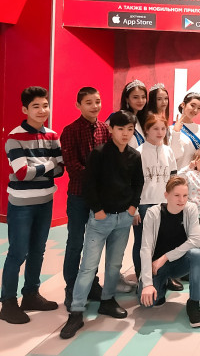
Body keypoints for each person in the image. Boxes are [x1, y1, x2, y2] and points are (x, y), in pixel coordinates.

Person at [60, 110, 143, 339]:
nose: (125, 134)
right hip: (100, 218)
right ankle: (76, 311)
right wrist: (97, 210)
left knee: (114, 265)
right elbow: (89, 184)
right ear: (111, 129)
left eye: (129, 129)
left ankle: (107, 300)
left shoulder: (134, 156)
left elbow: (138, 183)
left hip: (123, 218)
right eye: (120, 129)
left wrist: (132, 208)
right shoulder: (98, 153)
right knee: (88, 266)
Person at [0, 86, 64, 324]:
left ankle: (31, 294)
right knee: (18, 252)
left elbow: (61, 170)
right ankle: (8, 303)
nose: (42, 110)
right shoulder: (14, 137)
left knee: (38, 250)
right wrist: (49, 164)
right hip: (22, 205)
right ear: (25, 109)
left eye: (45, 105)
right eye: (36, 106)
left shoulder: (52, 135)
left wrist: (40, 167)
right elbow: (22, 173)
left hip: (45, 201)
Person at [59, 86, 110, 312]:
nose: (94, 106)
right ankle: (71, 288)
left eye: (97, 101)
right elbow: (72, 166)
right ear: (78, 105)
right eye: (88, 102)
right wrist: (98, 178)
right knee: (75, 243)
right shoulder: (70, 131)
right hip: (79, 196)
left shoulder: (105, 130)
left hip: (100, 198)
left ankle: (92, 284)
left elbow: (110, 161)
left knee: (95, 243)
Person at [138, 177, 200, 327]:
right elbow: (145, 248)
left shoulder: (191, 209)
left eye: (185, 195)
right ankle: (161, 284)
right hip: (157, 267)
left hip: (179, 263)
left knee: (197, 254)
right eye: (177, 195)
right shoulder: (153, 213)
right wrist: (147, 284)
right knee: (148, 303)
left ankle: (194, 303)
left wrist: (165, 257)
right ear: (166, 195)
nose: (182, 200)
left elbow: (195, 241)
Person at [133, 113, 178, 281]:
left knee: (166, 242)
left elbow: (173, 178)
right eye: (155, 129)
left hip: (165, 204)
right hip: (144, 204)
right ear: (147, 130)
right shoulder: (139, 152)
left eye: (163, 128)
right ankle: (142, 278)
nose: (160, 132)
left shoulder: (168, 151)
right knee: (143, 243)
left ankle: (165, 277)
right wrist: (134, 209)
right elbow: (132, 184)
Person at [170, 92, 200, 170]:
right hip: (181, 175)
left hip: (199, 176)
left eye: (199, 108)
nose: (195, 110)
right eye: (192, 105)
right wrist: (176, 133)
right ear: (183, 105)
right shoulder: (171, 129)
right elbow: (173, 155)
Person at [110, 79, 148, 149]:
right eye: (135, 97)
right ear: (127, 99)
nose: (140, 101)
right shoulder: (118, 118)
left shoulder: (140, 120)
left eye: (143, 97)